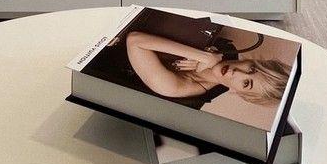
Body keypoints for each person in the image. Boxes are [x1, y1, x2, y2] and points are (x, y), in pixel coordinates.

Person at [121, 30, 291, 109]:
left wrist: (204, 57)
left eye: (246, 83)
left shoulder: (178, 89)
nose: (236, 72)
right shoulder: (227, 50)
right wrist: (211, 53)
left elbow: (135, 40)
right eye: (251, 68)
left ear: (243, 95)